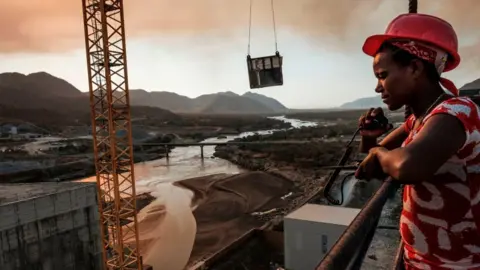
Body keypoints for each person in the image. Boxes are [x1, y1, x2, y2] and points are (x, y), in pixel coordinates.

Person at [354, 13, 480, 270]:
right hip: (421, 261)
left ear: (414, 68)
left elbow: (405, 166)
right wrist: (371, 140)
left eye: (383, 74)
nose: (378, 87)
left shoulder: (457, 112)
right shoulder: (420, 119)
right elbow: (376, 160)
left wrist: (378, 153)